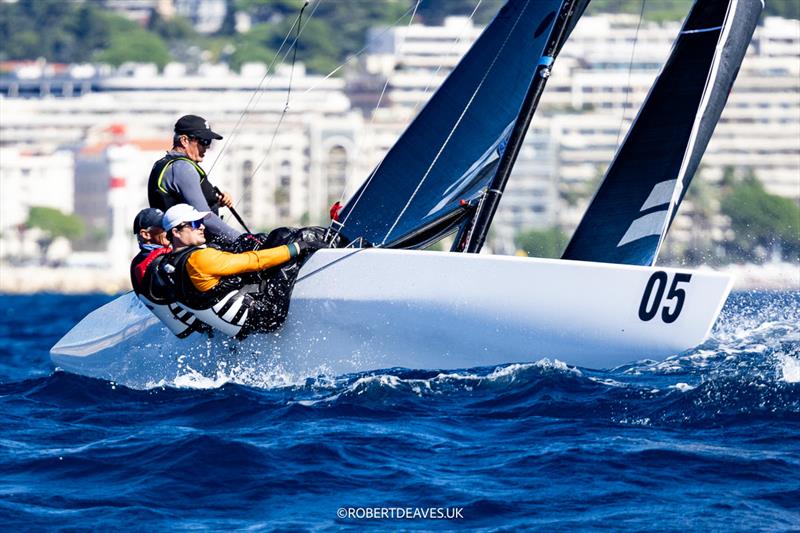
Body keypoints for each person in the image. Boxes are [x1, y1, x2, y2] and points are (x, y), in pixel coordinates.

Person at [156, 204, 327, 338]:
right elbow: (254, 261)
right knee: (300, 241)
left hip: (232, 327)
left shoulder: (166, 266)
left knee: (275, 237)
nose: (201, 227)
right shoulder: (199, 259)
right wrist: (298, 247)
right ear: (176, 232)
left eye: (200, 222)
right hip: (268, 316)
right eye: (194, 224)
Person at [147, 114, 242, 244]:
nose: (207, 147)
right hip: (189, 248)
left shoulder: (164, 164)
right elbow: (204, 216)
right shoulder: (182, 167)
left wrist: (215, 200)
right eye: (204, 141)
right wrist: (241, 239)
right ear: (184, 140)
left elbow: (184, 201)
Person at [130, 207, 207, 338]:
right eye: (163, 226)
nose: (169, 229)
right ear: (146, 234)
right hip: (197, 326)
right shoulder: (147, 263)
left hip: (196, 324)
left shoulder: (147, 259)